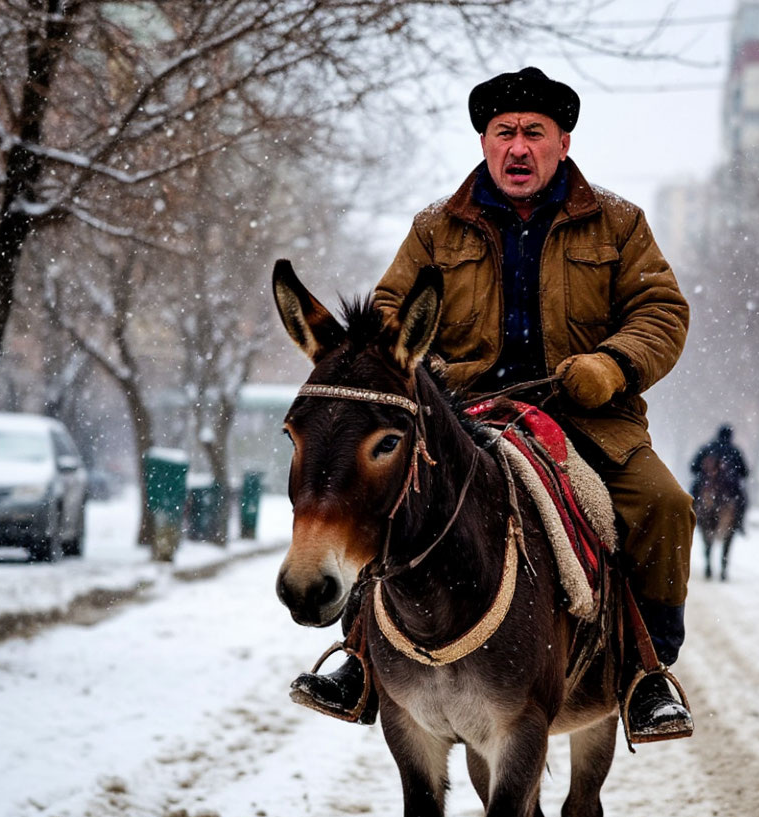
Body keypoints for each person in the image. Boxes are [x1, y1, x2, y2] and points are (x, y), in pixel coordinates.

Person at [291, 66, 696, 742]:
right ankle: (359, 660)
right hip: (465, 417)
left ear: (562, 143)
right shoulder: (434, 229)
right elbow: (390, 312)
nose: (518, 147)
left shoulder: (620, 224)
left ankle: (646, 673)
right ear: (484, 142)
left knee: (665, 505)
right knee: (386, 496)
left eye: (534, 133)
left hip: (588, 419)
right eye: (503, 132)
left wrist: (611, 365)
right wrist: (422, 370)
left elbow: (661, 311)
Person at [689, 424, 749, 533]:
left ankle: (690, 517)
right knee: (742, 500)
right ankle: (739, 522)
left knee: (693, 493)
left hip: (706, 484)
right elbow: (745, 472)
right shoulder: (735, 451)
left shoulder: (707, 448)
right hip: (730, 489)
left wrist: (703, 475)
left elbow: (693, 467)